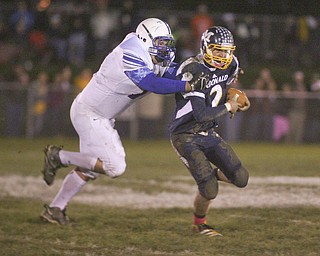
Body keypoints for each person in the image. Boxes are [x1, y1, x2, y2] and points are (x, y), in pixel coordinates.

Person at [40, 18, 208, 225]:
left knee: (90, 168)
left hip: (100, 115)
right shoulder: (130, 52)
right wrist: (188, 86)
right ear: (145, 39)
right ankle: (59, 157)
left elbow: (174, 72)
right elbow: (152, 82)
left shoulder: (149, 52)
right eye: (160, 43)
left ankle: (55, 209)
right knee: (115, 167)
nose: (164, 48)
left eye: (166, 43)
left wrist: (202, 69)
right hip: (90, 113)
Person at [169, 26, 250, 237]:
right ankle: (199, 224)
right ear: (205, 48)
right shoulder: (193, 69)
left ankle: (208, 177)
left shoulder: (231, 64)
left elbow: (222, 88)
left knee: (241, 178)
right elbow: (201, 114)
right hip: (185, 135)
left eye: (226, 51)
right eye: (218, 50)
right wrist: (229, 106)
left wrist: (232, 94)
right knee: (210, 190)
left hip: (208, 132)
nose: (223, 56)